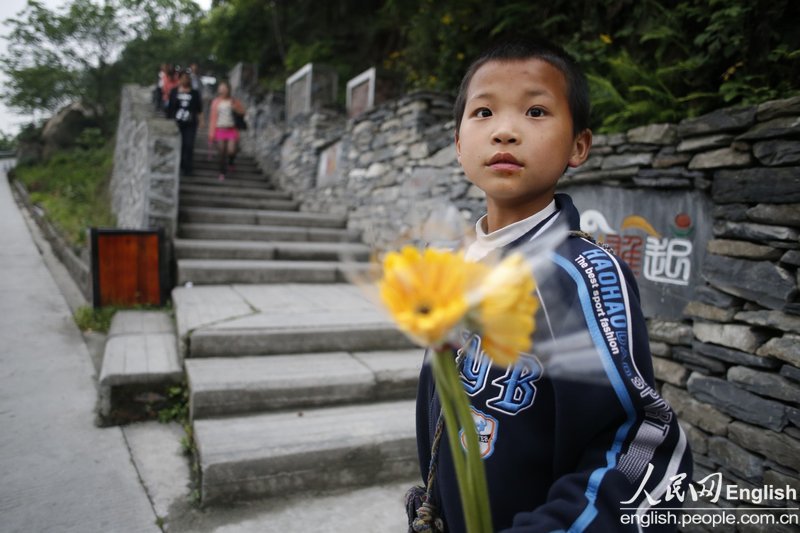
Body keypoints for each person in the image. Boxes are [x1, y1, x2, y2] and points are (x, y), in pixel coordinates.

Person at [413, 39, 692, 533]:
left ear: (578, 146)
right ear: (458, 143)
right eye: (483, 112)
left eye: (536, 110)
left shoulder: (582, 277)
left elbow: (640, 442)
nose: (504, 131)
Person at [167, 68, 203, 176]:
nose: (184, 80)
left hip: (190, 123)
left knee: (189, 144)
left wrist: (201, 121)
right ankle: (180, 165)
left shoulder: (195, 93)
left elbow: (199, 109)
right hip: (177, 122)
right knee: (180, 144)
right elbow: (170, 108)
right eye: (182, 78)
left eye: (186, 78)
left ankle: (188, 168)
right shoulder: (174, 91)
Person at [207, 81, 245, 180]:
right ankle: (222, 172)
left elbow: (243, 112)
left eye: (225, 88)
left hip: (231, 129)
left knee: (231, 151)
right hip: (220, 129)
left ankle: (231, 161)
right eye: (221, 88)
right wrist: (211, 133)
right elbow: (212, 118)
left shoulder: (233, 101)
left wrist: (235, 108)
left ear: (228, 90)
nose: (223, 90)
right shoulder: (215, 102)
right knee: (222, 152)